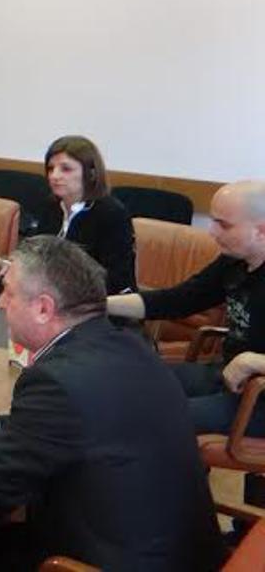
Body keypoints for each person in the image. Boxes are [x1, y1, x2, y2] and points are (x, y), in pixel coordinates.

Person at [0, 236, 222, 570]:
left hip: (103, 561)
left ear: (43, 308)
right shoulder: (131, 347)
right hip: (185, 556)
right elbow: (81, 421)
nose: (1, 303)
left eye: (9, 293)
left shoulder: (55, 381)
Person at [106, 180, 265, 440]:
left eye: (224, 225)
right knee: (129, 384)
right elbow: (178, 300)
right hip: (226, 376)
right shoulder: (234, 261)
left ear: (261, 231)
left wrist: (254, 361)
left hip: (258, 400)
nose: (212, 232)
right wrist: (100, 304)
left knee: (148, 418)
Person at [0, 135, 135, 294]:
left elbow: (116, 280)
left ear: (91, 173)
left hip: (98, 302)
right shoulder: (51, 206)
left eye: (66, 169)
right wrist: (8, 264)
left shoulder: (111, 213)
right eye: (51, 169)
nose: (54, 176)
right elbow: (35, 254)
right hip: (54, 296)